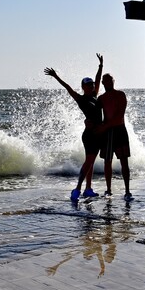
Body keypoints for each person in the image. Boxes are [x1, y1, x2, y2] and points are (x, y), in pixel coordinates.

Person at [44, 54, 104, 201]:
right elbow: (67, 88)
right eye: (88, 84)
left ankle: (88, 189)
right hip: (89, 134)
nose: (91, 86)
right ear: (83, 87)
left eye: (92, 85)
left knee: (90, 162)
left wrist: (100, 66)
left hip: (98, 133)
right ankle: (77, 189)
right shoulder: (81, 99)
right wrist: (56, 76)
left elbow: (98, 79)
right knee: (88, 161)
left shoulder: (95, 96)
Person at [98, 73, 132, 201]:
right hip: (108, 133)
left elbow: (119, 115)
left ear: (113, 81)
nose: (108, 83)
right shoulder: (102, 98)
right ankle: (108, 190)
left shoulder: (120, 95)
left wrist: (104, 126)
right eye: (105, 81)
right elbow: (94, 113)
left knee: (124, 160)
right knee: (107, 161)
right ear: (103, 83)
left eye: (110, 80)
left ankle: (127, 191)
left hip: (119, 130)